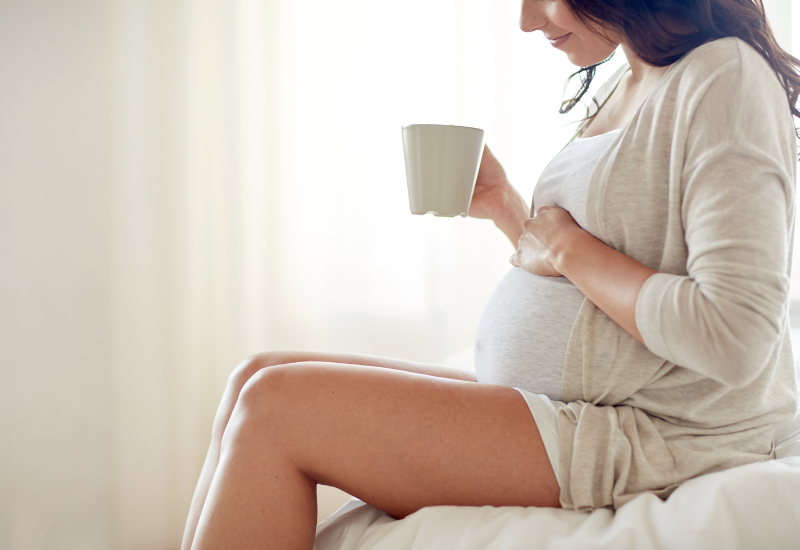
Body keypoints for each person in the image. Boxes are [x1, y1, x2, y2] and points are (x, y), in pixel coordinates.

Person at [182, 0, 800, 548]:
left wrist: (566, 250)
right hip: (575, 404)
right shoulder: (631, 77)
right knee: (255, 375)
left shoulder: (725, 76)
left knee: (276, 408)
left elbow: (735, 336)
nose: (527, 19)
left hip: (655, 432)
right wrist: (510, 211)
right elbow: (608, 263)